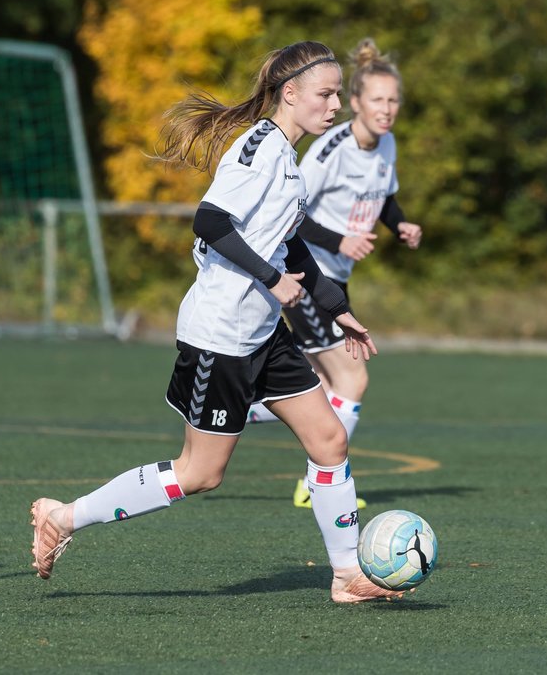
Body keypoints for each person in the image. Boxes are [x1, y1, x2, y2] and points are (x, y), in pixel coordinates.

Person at [29, 41, 403, 603]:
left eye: (335, 95)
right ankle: (65, 517)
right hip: (221, 336)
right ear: (290, 93)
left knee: (328, 440)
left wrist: (337, 308)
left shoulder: (290, 162)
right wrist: (273, 282)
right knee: (200, 473)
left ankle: (348, 575)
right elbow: (209, 220)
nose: (334, 106)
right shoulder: (258, 149)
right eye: (325, 94)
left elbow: (290, 246)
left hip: (265, 335)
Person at [244, 38, 422, 509]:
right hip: (307, 279)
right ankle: (318, 482)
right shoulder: (328, 151)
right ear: (357, 103)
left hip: (334, 280)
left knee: (321, 389)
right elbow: (294, 214)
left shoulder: (387, 144)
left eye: (394, 101)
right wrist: (340, 241)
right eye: (378, 100)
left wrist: (398, 222)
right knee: (353, 380)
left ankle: (232, 412)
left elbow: (384, 195)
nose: (387, 110)